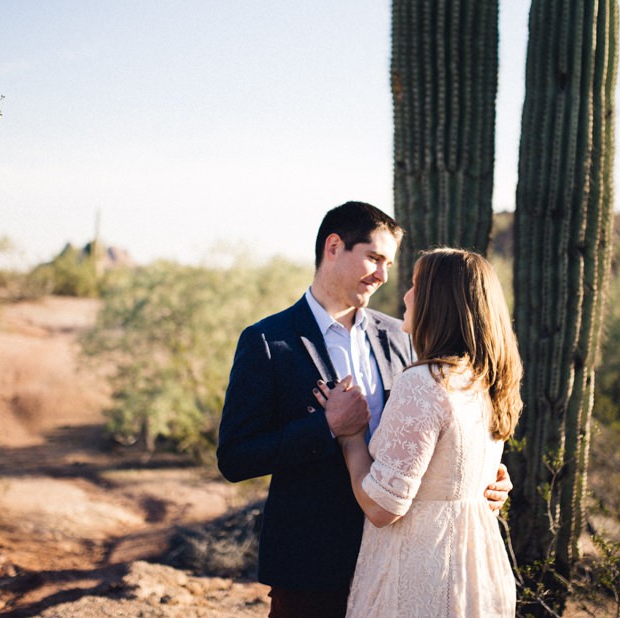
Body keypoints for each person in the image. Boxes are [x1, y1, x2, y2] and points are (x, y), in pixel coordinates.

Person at [217, 202, 512, 618]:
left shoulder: (403, 336)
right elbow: (234, 457)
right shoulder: (268, 341)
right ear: (333, 247)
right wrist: (326, 427)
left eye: (389, 263)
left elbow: (438, 426)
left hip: (404, 558)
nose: (383, 275)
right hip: (313, 563)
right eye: (374, 258)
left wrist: (481, 474)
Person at [315, 248, 523, 617]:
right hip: (478, 571)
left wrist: (351, 438)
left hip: (425, 573)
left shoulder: (425, 382)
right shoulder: (487, 380)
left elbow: (382, 508)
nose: (406, 296)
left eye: (415, 285)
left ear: (439, 302)